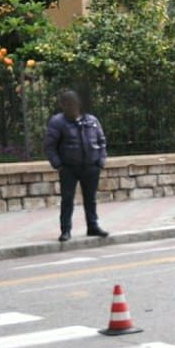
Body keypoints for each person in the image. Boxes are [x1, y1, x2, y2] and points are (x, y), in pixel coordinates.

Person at [44, 90, 110, 242]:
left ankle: (93, 226)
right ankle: (66, 230)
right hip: (69, 167)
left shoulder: (91, 120)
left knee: (90, 199)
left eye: (73, 103)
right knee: (67, 199)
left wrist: (101, 161)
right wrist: (58, 165)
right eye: (67, 104)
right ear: (63, 105)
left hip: (91, 166)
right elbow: (49, 146)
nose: (71, 107)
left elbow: (101, 141)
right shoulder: (58, 122)